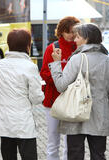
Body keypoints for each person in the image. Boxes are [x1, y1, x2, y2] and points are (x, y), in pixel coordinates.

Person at [49, 23, 109, 160]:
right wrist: (104, 112)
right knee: (98, 155)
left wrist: (56, 63)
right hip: (100, 116)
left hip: (76, 115)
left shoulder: (77, 59)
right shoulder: (108, 61)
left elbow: (61, 86)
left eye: (78, 37)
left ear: (87, 39)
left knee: (75, 155)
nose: (75, 40)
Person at [0, 29, 44, 160]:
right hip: (24, 123)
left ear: (9, 45)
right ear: (28, 45)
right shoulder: (30, 67)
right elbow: (36, 98)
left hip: (4, 122)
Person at [40, 16, 80, 160]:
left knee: (70, 143)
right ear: (61, 31)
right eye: (68, 32)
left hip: (73, 102)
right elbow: (44, 73)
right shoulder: (53, 48)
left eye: (74, 32)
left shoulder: (79, 49)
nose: (71, 35)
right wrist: (60, 82)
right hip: (53, 102)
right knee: (53, 141)